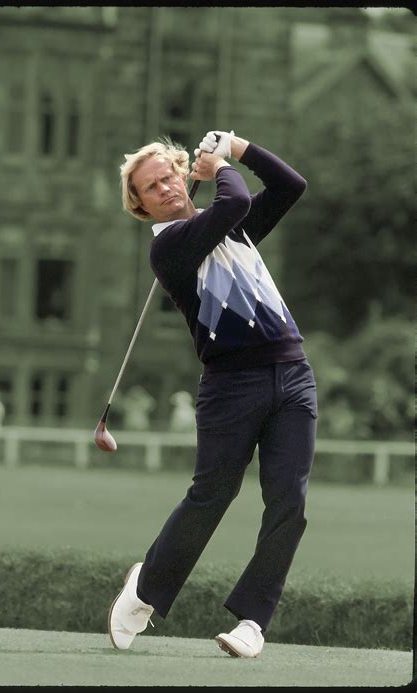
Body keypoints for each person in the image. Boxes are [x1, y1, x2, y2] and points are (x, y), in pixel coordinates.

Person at [108, 130, 318, 658]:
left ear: (182, 174)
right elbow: (238, 199)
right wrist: (219, 163)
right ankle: (146, 590)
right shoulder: (169, 248)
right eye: (152, 188)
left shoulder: (234, 226)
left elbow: (290, 185)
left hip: (292, 375)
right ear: (142, 205)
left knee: (289, 502)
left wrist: (240, 147)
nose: (165, 189)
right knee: (212, 496)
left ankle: (253, 620)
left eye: (168, 176)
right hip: (231, 386)